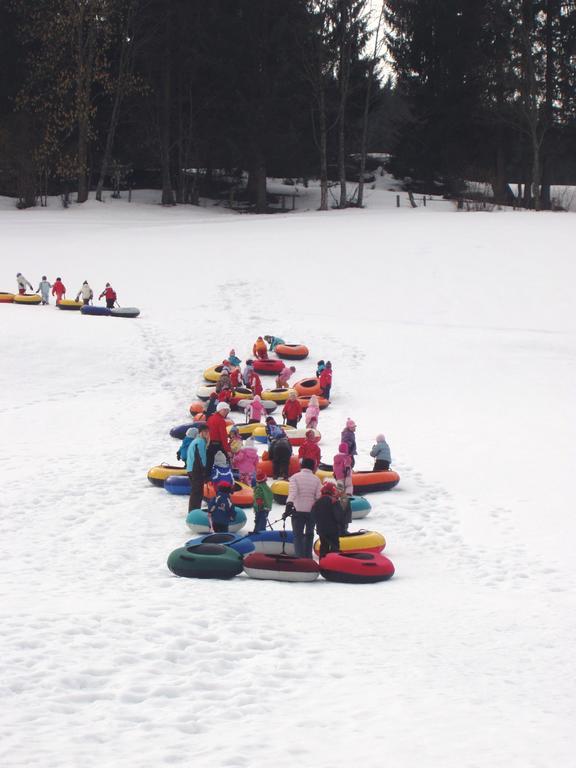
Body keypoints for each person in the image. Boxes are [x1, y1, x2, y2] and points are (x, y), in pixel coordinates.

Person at [283, 457, 322, 558]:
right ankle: (308, 557)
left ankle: (299, 558)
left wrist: (289, 504)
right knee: (309, 535)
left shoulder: (295, 477)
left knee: (297, 536)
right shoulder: (316, 479)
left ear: (301, 465)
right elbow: (318, 497)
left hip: (297, 510)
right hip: (311, 512)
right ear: (313, 467)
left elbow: (293, 492)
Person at [311, 482, 342, 558]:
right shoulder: (334, 501)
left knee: (324, 546)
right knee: (335, 547)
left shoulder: (316, 502)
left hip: (321, 529)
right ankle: (333, 564)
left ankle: (323, 563)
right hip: (333, 529)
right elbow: (339, 516)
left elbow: (313, 516)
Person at [186, 425, 210, 512]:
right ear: (200, 432)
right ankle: (193, 512)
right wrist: (205, 470)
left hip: (191, 469)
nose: (207, 433)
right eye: (205, 432)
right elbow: (202, 456)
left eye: (208, 432)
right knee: (197, 493)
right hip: (196, 470)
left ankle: (194, 511)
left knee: (196, 492)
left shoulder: (196, 441)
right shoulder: (200, 442)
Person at [206, 401, 231, 473]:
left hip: (209, 443)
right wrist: (227, 450)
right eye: (225, 410)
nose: (226, 412)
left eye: (227, 411)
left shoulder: (210, 418)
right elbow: (223, 436)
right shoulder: (221, 421)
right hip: (217, 444)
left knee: (209, 462)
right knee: (226, 460)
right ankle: (225, 475)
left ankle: (207, 477)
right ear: (220, 410)